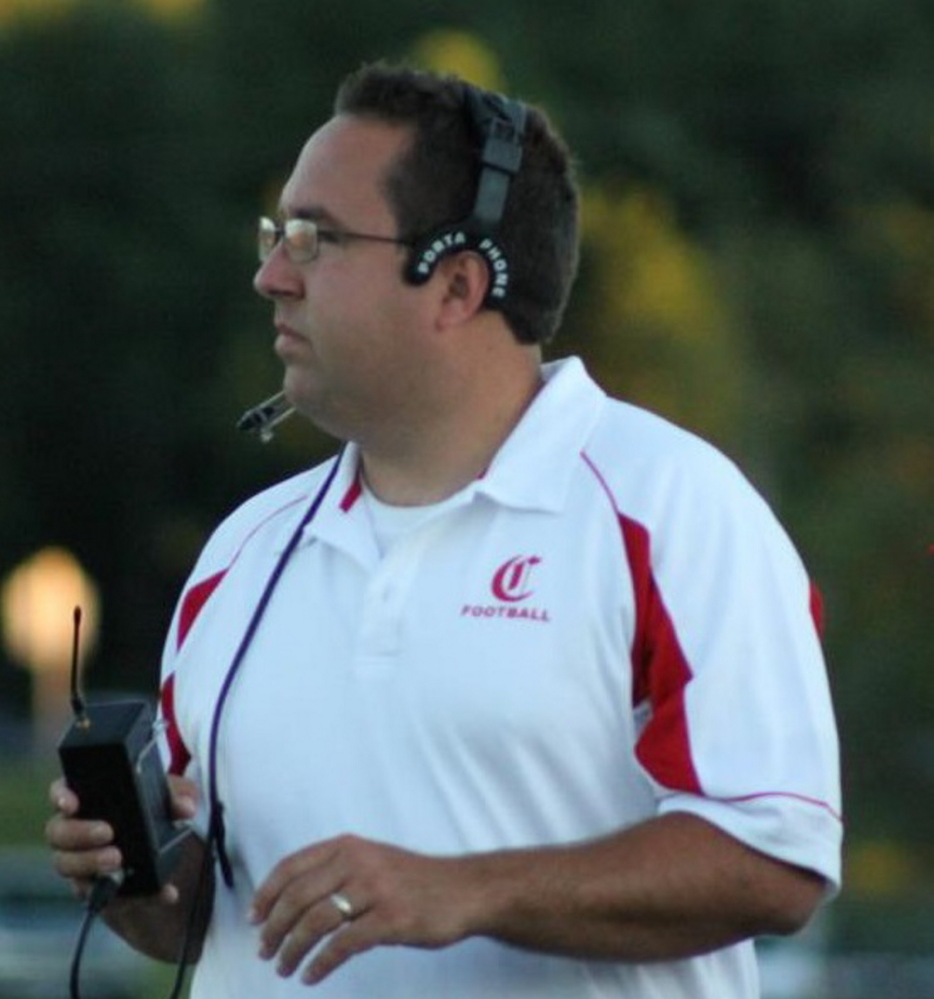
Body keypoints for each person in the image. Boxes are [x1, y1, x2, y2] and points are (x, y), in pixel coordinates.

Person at [46, 62, 842, 998]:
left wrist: (461, 890)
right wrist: (130, 874)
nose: (270, 276)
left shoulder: (671, 507)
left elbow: (775, 858)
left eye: (314, 239)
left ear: (459, 285)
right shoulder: (244, 551)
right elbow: (202, 918)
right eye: (275, 234)